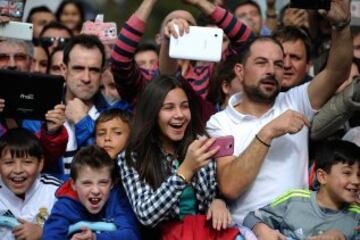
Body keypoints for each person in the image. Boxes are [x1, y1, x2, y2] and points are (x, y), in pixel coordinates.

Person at [206, 0, 352, 226]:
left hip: (299, 226)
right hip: (247, 229)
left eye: (277, 65)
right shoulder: (220, 122)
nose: (270, 71)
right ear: (240, 71)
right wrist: (269, 132)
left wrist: (341, 26)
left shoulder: (296, 100)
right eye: (261, 63)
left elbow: (337, 72)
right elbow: (230, 186)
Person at [119, 75, 237, 239]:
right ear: (152, 112)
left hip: (204, 233)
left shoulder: (200, 143)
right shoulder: (133, 157)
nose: (180, 115)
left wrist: (219, 202)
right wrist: (185, 170)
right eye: (169, 108)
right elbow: (146, 215)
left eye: (184, 106)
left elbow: (217, 191)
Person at [243, 140, 360, 239]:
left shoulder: (357, 217)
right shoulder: (294, 200)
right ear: (322, 176)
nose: (356, 181)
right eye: (347, 173)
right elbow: (251, 218)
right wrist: (262, 229)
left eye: (359, 175)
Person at [42, 145, 141, 240]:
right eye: (87, 183)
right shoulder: (65, 206)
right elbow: (51, 236)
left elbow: (132, 235)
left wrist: (95, 238)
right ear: (73, 184)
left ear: (112, 184)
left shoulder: (118, 199)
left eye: (103, 183)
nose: (95, 191)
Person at [0, 128, 61, 240]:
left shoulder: (56, 191)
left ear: (40, 164)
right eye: (9, 162)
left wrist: (43, 233)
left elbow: (74, 227)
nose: (18, 170)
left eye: (27, 162)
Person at [272, 26, 313, 91]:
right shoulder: (252, 95)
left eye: (295, 58)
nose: (287, 65)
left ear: (308, 65)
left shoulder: (322, 97)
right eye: (281, 56)